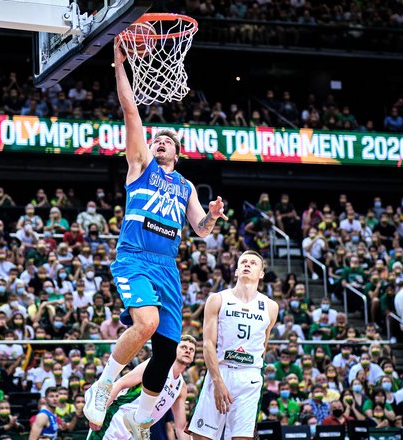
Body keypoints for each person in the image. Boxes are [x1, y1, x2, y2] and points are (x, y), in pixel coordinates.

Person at [84, 41, 228, 437]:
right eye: (156, 139)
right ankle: (102, 385)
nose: (160, 142)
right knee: (146, 324)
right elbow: (131, 110)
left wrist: (211, 218)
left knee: (165, 351)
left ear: (177, 155)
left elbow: (199, 230)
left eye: (167, 141)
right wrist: (118, 64)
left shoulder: (184, 186)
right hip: (135, 256)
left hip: (167, 267)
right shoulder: (139, 168)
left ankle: (139, 414)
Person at [189, 251, 279, 440]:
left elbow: (263, 345)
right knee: (201, 437)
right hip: (221, 371)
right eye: (243, 262)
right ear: (236, 270)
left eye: (253, 263)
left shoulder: (271, 306)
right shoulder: (217, 299)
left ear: (261, 273)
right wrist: (217, 381)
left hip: (250, 376)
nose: (247, 265)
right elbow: (207, 345)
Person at [87, 335, 196, 440]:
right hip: (116, 419)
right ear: (174, 349)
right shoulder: (155, 365)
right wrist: (99, 412)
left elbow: (180, 428)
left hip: (135, 432)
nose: (188, 351)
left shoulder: (181, 388)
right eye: (183, 347)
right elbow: (120, 383)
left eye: (192, 350)